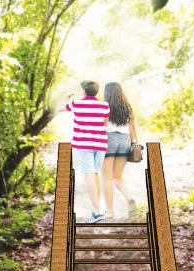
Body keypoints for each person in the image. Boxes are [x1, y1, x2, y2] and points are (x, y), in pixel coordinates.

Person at [60, 80, 111, 220]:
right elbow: (104, 124)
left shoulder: (76, 104)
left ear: (83, 91)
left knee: (89, 176)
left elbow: (60, 108)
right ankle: (97, 208)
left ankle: (97, 210)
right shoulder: (104, 105)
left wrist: (67, 97)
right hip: (100, 143)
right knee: (95, 174)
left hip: (84, 145)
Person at [102, 80, 139, 219]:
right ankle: (129, 198)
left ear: (107, 93)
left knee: (106, 178)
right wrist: (135, 143)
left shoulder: (104, 105)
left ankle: (110, 212)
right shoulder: (127, 107)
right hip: (125, 140)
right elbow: (132, 128)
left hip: (109, 139)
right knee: (117, 176)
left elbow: (102, 125)